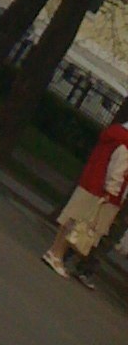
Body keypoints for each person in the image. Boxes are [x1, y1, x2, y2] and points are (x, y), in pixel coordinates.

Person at [41, 118, 128, 279]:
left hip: (90, 183)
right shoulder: (125, 143)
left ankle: (54, 252)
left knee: (71, 220)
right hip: (101, 193)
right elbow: (117, 172)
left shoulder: (115, 136)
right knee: (79, 225)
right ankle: (56, 255)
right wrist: (112, 193)